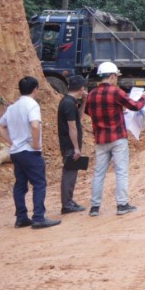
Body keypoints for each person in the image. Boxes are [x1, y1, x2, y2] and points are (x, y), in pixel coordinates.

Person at [84, 62, 145, 217]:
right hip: (117, 137)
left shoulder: (92, 94)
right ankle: (122, 204)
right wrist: (143, 98)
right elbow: (134, 106)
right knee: (121, 171)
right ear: (112, 76)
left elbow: (88, 111)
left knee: (99, 173)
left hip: (100, 139)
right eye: (116, 77)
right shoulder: (116, 92)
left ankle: (95, 207)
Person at [0, 76, 61, 229]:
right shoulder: (32, 105)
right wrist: (36, 144)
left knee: (20, 185)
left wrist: (12, 142)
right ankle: (39, 217)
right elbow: (34, 126)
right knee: (39, 183)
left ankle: (21, 217)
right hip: (29, 151)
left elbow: (0, 125)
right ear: (35, 90)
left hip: (16, 152)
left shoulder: (13, 107)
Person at [58, 75, 88, 214]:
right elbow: (72, 127)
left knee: (71, 173)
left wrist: (84, 102)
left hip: (68, 144)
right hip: (69, 145)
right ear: (81, 89)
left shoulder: (70, 101)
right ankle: (67, 204)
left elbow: (79, 118)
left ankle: (68, 201)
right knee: (69, 174)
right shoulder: (68, 104)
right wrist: (76, 148)